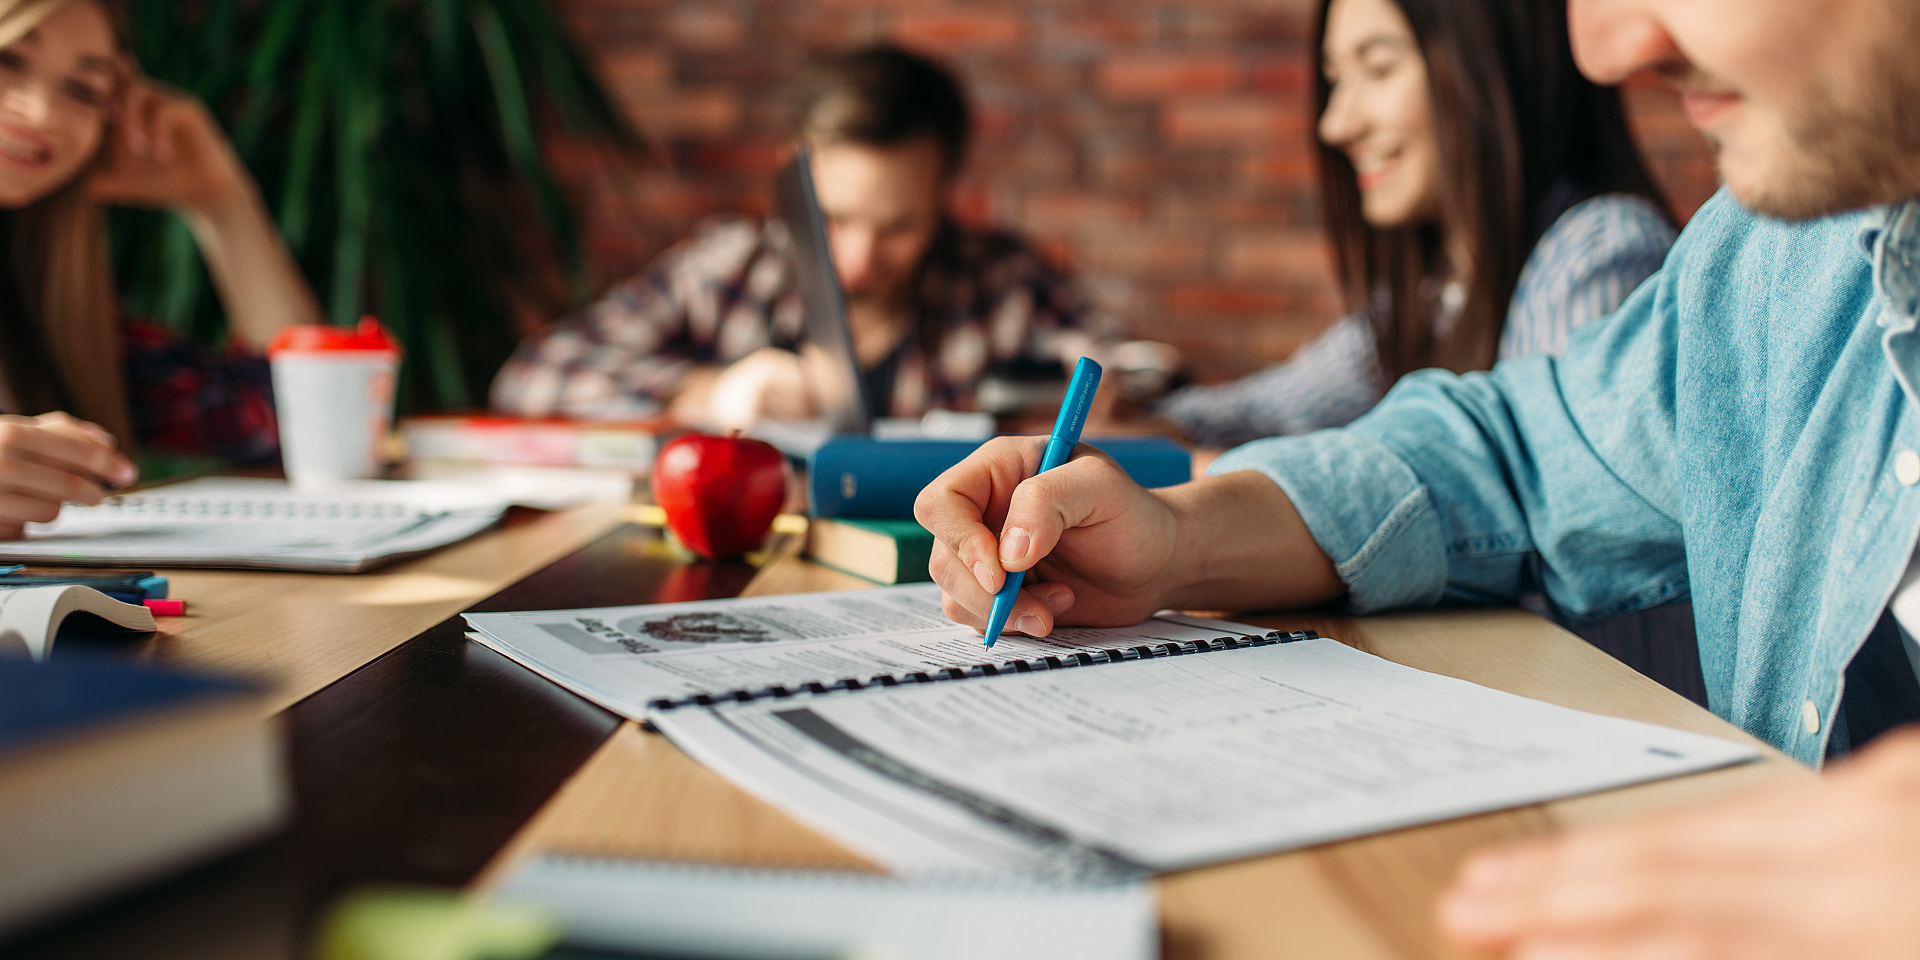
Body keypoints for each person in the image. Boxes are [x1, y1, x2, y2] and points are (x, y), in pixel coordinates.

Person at [914, 0, 1920, 953]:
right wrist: (1181, 540)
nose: (1610, 48)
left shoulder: (1606, 246)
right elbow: (1507, 456)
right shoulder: (1781, 257)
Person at [491, 45, 1105, 430]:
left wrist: (1104, 402)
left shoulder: (1003, 282)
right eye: (835, 218)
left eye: (898, 226)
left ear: (943, 191)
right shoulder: (731, 265)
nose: (860, 258)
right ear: (794, 175)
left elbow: (1157, 379)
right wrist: (707, 392)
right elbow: (534, 376)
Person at [1157, 0, 1674, 449]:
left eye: (1379, 69)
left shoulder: (1598, 254)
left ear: (1496, 66)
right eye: (1336, 78)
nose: (1335, 124)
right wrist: (1139, 416)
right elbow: (1270, 410)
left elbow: (1526, 510)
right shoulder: (1442, 288)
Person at [0, 0, 320, 537]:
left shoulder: (45, 301)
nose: (40, 114)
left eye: (84, 91)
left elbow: (292, 424)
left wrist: (222, 201)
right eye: (7, 60)